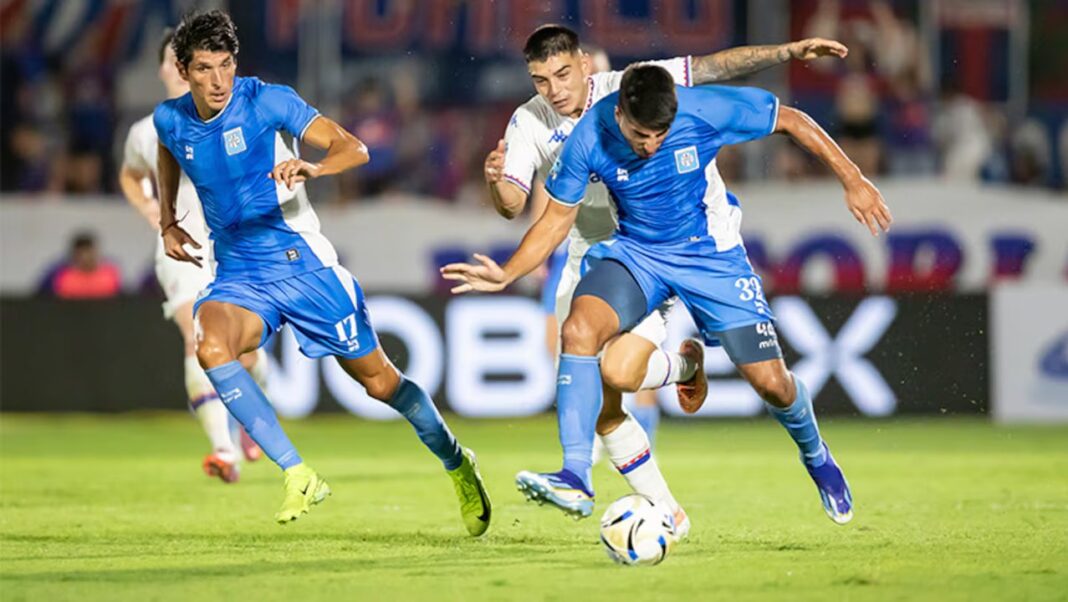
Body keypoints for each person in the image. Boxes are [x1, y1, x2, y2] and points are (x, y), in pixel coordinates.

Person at [445, 64, 892, 526]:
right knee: (580, 333)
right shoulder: (588, 137)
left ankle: (816, 455)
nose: (653, 144)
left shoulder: (703, 109)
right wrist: (508, 273)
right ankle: (575, 477)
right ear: (619, 113)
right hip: (638, 253)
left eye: (662, 134)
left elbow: (792, 119)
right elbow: (556, 220)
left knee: (772, 384)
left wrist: (853, 179)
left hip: (711, 255)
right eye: (642, 134)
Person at [153, 11, 490, 533]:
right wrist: (168, 220)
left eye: (225, 65)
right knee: (211, 347)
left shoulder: (268, 101)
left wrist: (315, 167)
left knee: (381, 385)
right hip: (240, 273)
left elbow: (352, 147)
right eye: (204, 69)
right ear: (184, 69)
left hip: (303, 266)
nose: (218, 80)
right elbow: (169, 151)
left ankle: (456, 461)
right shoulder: (170, 119)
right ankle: (298, 472)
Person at [120, 28, 277, 484]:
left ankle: (253, 415)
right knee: (199, 336)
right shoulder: (145, 131)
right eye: (172, 60)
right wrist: (149, 205)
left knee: (242, 348)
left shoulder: (233, 116)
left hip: (232, 242)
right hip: (179, 248)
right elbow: (131, 176)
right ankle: (222, 448)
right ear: (166, 69)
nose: (178, 68)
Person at [38, 231, 121, 299]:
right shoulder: (61, 276)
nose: (85, 258)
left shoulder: (110, 275)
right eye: (81, 254)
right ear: (74, 255)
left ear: (95, 253)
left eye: (89, 253)